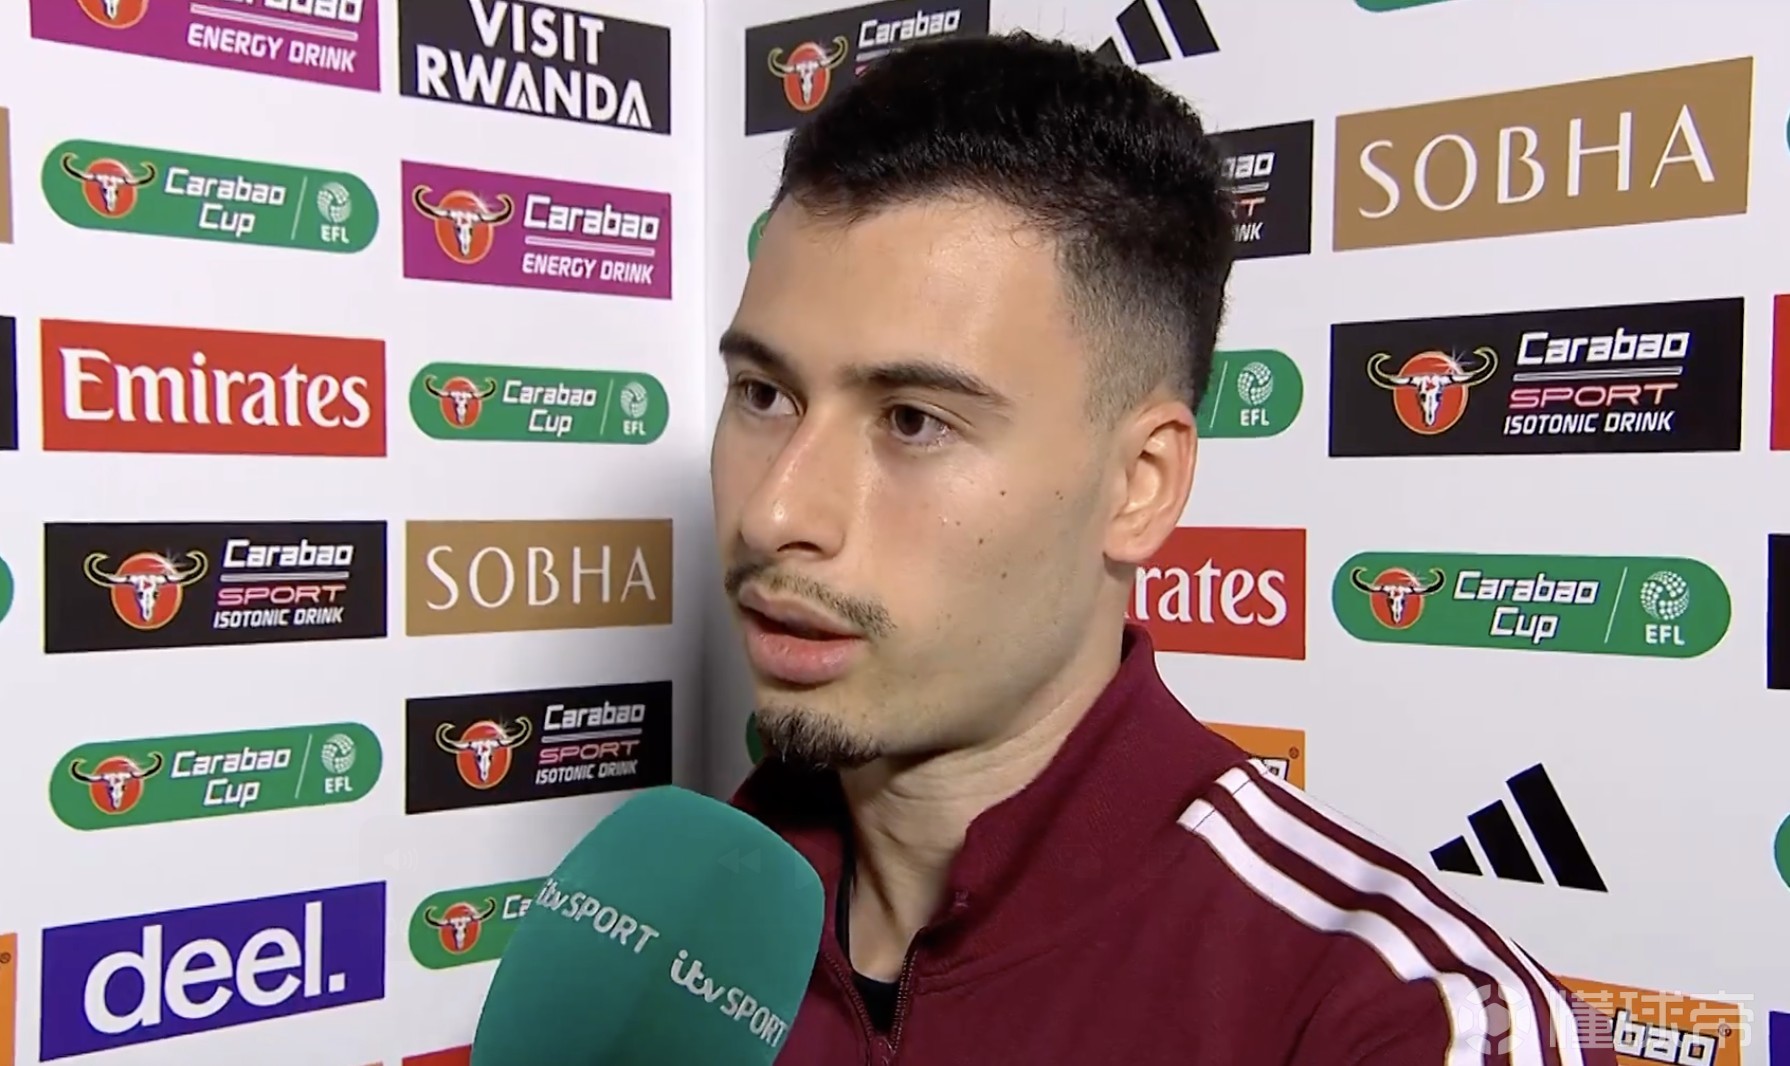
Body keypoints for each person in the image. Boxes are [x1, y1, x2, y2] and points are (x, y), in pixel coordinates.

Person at [713, 29, 1618, 1065]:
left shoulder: (1399, 1020)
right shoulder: (665, 925)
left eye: (914, 420)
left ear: (1139, 484)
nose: (775, 511)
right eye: (763, 394)